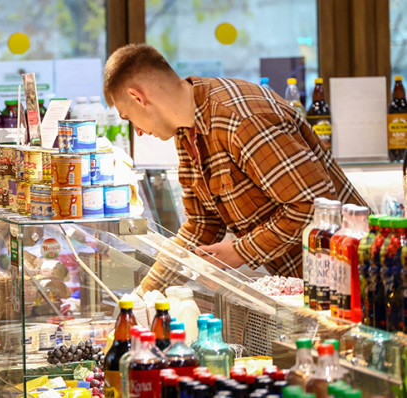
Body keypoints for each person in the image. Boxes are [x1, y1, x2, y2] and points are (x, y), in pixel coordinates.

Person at [102, 44, 367, 291]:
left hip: (352, 278)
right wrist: (143, 297)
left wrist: (240, 251)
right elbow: (201, 225)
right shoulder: (186, 131)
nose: (137, 131)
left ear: (137, 97)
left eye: (128, 118)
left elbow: (312, 206)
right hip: (305, 284)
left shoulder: (241, 119)